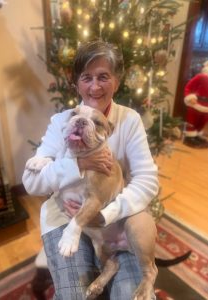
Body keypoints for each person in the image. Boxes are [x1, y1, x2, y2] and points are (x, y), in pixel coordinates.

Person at [22, 40, 159, 300]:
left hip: (116, 219)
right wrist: (78, 164)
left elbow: (148, 180)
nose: (94, 86)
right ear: (76, 83)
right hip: (64, 217)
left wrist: (107, 214)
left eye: (103, 77)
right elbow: (31, 183)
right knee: (73, 295)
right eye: (86, 77)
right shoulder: (63, 121)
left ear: (117, 82)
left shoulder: (129, 120)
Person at [183, 61, 208, 148]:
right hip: (196, 104)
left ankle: (196, 135)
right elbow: (188, 87)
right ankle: (189, 137)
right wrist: (189, 96)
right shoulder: (201, 76)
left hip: (206, 106)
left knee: (202, 121)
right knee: (192, 121)